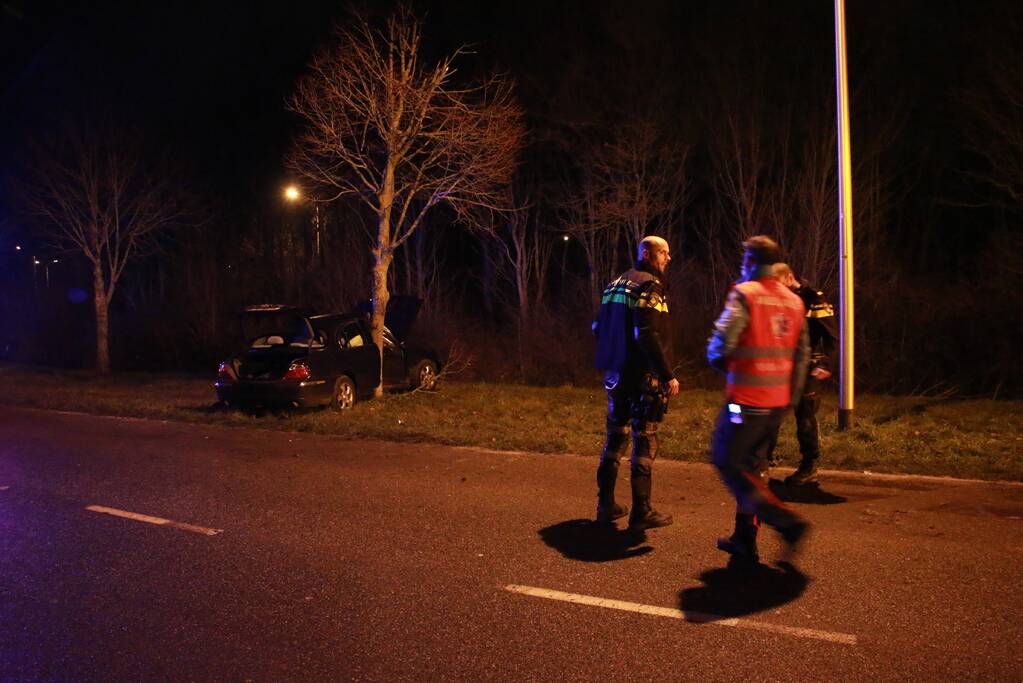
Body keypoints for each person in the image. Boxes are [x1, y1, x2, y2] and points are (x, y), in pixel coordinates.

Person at [707, 236, 811, 562]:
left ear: (750, 262)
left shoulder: (746, 294)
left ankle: (787, 523)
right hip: (776, 404)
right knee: (751, 469)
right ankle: (744, 540)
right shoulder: (794, 302)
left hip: (745, 401)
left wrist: (728, 368)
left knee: (727, 460)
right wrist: (790, 400)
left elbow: (719, 347)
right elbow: (802, 355)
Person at [592, 235, 680, 531]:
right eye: (664, 253)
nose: (669, 258)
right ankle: (641, 510)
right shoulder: (649, 285)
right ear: (648, 253)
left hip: (615, 374)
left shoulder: (614, 284)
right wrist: (667, 374)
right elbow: (647, 332)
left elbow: (597, 326)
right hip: (642, 377)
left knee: (615, 439)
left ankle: (605, 506)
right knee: (645, 438)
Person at [767, 263, 838, 485]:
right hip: (784, 364)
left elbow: (831, 334)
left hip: (809, 365)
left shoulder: (814, 298)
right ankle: (764, 458)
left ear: (790, 278)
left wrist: (826, 364)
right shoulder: (781, 299)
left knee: (805, 415)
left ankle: (809, 466)